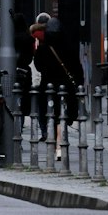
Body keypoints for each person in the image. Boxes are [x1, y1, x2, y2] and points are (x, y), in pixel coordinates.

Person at [31, 14, 81, 161]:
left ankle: (54, 145)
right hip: (65, 86)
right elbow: (77, 67)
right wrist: (78, 82)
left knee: (50, 115)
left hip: (48, 87)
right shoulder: (69, 45)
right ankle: (59, 146)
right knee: (61, 117)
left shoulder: (44, 46)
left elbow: (39, 66)